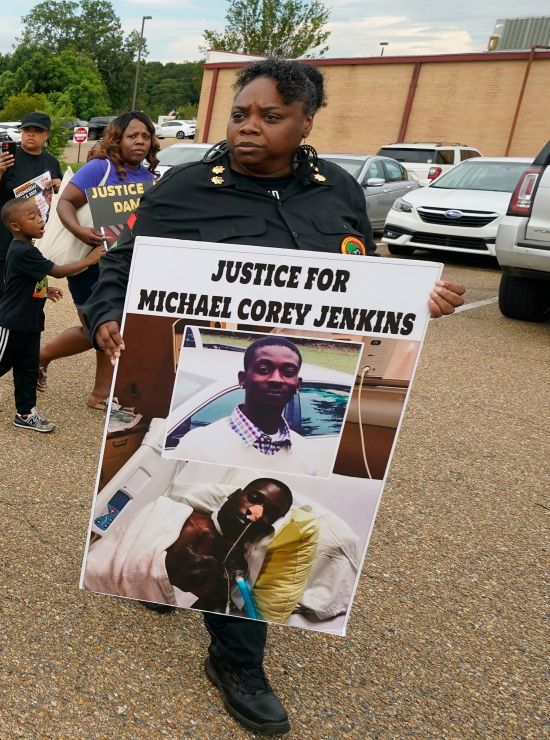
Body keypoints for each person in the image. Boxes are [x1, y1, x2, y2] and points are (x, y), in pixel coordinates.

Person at [84, 58, 467, 735]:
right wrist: (108, 313)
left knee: (250, 516)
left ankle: (235, 659)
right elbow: (124, 260)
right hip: (198, 383)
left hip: (298, 401)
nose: (248, 128)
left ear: (305, 122)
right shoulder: (185, 188)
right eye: (240, 114)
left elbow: (361, 280)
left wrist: (413, 298)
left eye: (269, 116)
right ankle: (159, 575)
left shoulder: (337, 191)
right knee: (172, 490)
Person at [37, 112, 159, 409]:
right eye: (133, 136)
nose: (140, 141)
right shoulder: (98, 169)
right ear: (118, 139)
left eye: (145, 136)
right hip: (89, 263)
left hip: (123, 265)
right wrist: (81, 231)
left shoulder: (149, 178)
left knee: (111, 328)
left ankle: (101, 394)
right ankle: (39, 358)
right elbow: (66, 202)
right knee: (97, 331)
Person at [0, 198, 103, 433]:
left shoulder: (29, 250)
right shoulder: (21, 250)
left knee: (27, 368)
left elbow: (26, 281)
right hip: (11, 323)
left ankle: (25, 413)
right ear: (15, 226)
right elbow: (55, 270)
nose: (40, 220)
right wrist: (89, 260)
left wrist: (46, 291)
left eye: (39, 214)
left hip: (31, 323)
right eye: (32, 217)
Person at [83, 479, 291, 611]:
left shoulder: (237, 569)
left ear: (269, 526)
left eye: (269, 512)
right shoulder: (171, 514)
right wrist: (165, 568)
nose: (255, 512)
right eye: (253, 498)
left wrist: (213, 588)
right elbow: (112, 565)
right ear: (234, 495)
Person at [172, 336, 322, 475]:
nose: (276, 379)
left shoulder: (307, 454)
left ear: (298, 385)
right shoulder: (197, 446)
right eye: (263, 370)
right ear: (242, 379)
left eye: (288, 372)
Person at [0, 111, 62, 343]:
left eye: (37, 131)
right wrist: (0, 169)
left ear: (46, 135)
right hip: (4, 237)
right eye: (26, 130)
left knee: (33, 288)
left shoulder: (51, 162)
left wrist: (60, 185)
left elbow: (59, 196)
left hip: (37, 238)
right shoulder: (8, 158)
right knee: (2, 289)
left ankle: (20, 330)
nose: (30, 135)